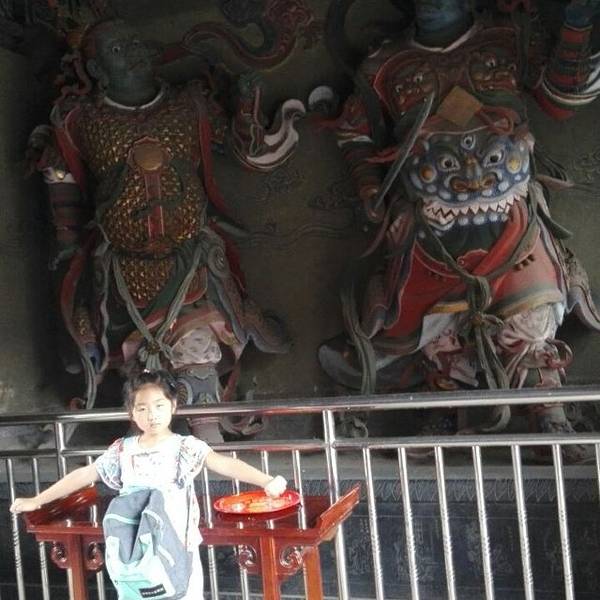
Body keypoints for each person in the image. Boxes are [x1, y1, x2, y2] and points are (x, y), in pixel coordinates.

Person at [319, 0, 600, 459]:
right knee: (433, 323)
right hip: (432, 223)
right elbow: (354, 131)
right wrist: (369, 186)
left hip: (510, 215)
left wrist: (575, 27)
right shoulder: (385, 65)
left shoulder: (509, 39)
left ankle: (547, 411)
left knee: (532, 313)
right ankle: (446, 406)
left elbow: (560, 101)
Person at [30, 18, 303, 441]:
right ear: (97, 69)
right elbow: (61, 182)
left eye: (136, 42)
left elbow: (249, 152)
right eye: (118, 49)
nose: (134, 52)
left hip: (189, 258)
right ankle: (146, 444)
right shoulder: (78, 121)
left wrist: (246, 105)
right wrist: (67, 246)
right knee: (132, 358)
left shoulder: (190, 106)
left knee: (200, 346)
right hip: (120, 268)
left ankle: (208, 440)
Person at [10, 370, 287, 599]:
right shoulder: (122, 450)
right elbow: (84, 474)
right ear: (132, 412)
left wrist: (265, 480)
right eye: (142, 408)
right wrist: (38, 500)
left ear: (173, 406)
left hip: (177, 548)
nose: (151, 414)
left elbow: (223, 463)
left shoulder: (185, 447)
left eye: (159, 406)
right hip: (134, 554)